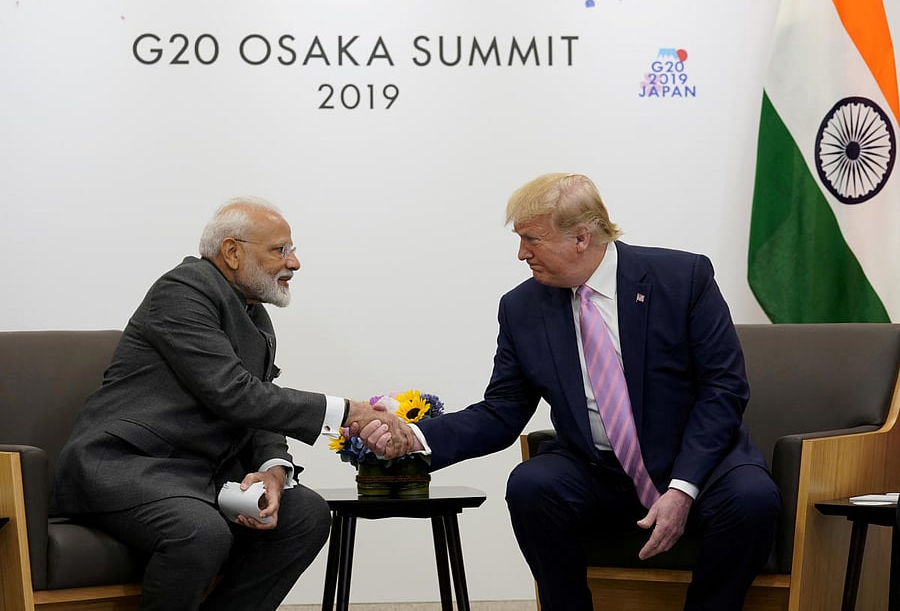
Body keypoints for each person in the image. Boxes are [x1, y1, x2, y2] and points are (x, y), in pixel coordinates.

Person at [360, 173, 781, 610]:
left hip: (698, 464)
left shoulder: (682, 278)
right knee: (531, 485)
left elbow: (723, 388)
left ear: (581, 238)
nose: (521, 253)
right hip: (598, 469)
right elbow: (502, 411)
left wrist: (681, 488)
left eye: (531, 239)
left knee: (753, 499)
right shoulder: (522, 308)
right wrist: (417, 437)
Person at [51, 198, 413, 611]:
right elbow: (234, 392)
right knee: (201, 531)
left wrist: (274, 470)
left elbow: (258, 406)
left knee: (306, 514)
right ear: (232, 251)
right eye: (280, 249)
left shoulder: (253, 313)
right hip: (126, 465)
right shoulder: (182, 290)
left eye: (292, 250)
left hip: (195, 478)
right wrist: (350, 411)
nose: (293, 263)